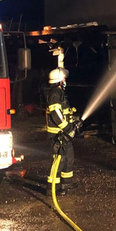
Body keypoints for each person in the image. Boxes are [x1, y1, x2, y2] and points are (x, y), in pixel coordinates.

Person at [45, 67, 82, 195]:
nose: (65, 80)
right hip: (58, 135)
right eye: (64, 79)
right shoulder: (55, 94)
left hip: (64, 134)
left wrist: (74, 123)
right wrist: (67, 128)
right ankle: (52, 189)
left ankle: (66, 184)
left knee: (68, 158)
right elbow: (56, 113)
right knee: (58, 161)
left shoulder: (60, 93)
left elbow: (64, 112)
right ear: (60, 81)